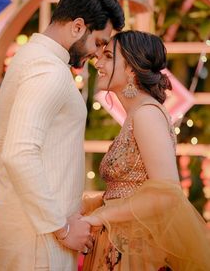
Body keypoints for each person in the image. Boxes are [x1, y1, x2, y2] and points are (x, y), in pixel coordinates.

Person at [0, 0, 124, 271]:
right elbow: (18, 153)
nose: (98, 55)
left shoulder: (35, 60)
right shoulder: (47, 70)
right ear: (77, 27)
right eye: (99, 42)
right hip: (39, 247)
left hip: (32, 237)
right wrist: (61, 228)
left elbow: (0, 149)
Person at [81, 30, 210, 271]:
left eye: (108, 56)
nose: (98, 62)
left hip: (136, 250)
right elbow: (128, 190)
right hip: (120, 242)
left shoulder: (147, 114)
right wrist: (89, 206)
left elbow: (166, 193)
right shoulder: (136, 114)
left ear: (131, 68)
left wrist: (99, 217)